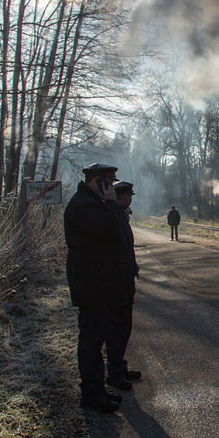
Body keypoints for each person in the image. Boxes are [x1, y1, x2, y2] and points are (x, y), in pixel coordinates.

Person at [63, 163, 132, 413]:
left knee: (96, 338)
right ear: (97, 181)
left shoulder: (90, 203)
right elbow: (109, 229)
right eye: (109, 182)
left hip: (98, 283)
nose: (112, 187)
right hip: (92, 285)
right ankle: (92, 394)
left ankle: (96, 390)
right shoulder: (84, 206)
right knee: (92, 341)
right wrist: (112, 203)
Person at [107, 181, 142, 390]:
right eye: (129, 195)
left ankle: (119, 366)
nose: (130, 198)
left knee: (123, 327)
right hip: (118, 281)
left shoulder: (119, 215)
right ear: (122, 197)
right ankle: (115, 372)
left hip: (124, 278)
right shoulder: (114, 216)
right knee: (118, 328)